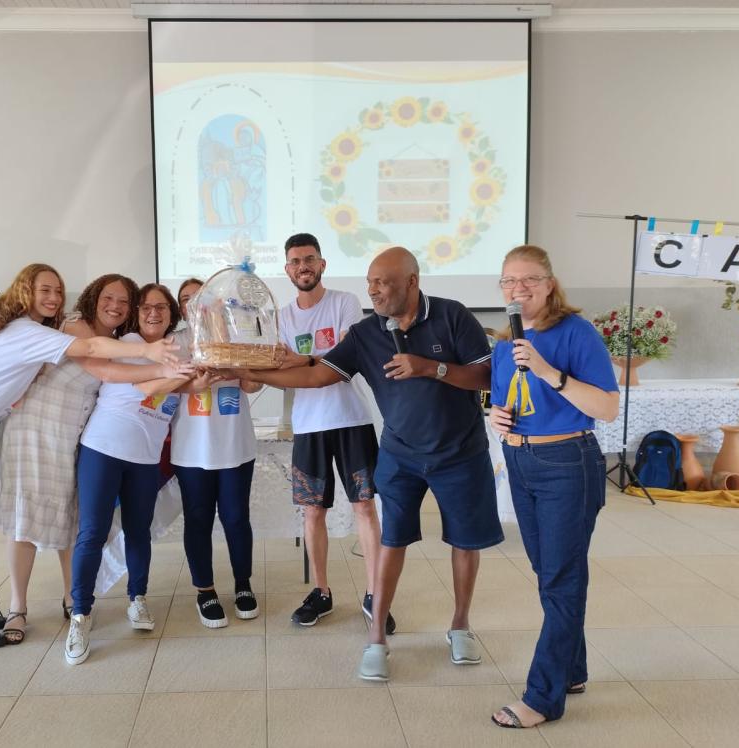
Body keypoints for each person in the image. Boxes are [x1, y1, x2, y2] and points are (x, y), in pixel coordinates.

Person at [231, 247, 501, 682]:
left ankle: (460, 626)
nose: (373, 290)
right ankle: (377, 637)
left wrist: (431, 368)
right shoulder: (365, 333)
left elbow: (487, 376)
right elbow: (319, 375)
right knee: (392, 539)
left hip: (461, 453)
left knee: (464, 543)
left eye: (383, 282)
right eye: (370, 283)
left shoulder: (454, 316)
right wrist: (259, 374)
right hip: (401, 455)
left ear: (412, 281)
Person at [0, 264, 178, 650]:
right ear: (93, 297)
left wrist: (172, 368)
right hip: (34, 429)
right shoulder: (77, 326)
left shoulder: (118, 338)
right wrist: (155, 357)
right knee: (23, 520)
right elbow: (102, 368)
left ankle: (72, 598)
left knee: (68, 517)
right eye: (108, 297)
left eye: (124, 302)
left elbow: (133, 384)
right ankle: (17, 607)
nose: (115, 305)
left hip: (72, 436)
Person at [488, 245, 619, 729]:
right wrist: (498, 417)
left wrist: (548, 371)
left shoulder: (577, 334)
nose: (517, 289)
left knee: (562, 579)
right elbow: (506, 402)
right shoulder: (505, 345)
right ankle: (573, 670)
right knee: (552, 575)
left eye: (528, 280)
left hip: (568, 462)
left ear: (549, 283)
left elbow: (606, 408)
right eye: (508, 281)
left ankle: (542, 698)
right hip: (520, 461)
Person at [274, 233, 394, 633]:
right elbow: (284, 372)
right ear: (287, 269)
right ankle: (322, 592)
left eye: (309, 259)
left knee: (364, 508)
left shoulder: (343, 302)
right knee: (312, 512)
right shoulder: (282, 317)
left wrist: (302, 359)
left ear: (322, 264)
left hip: (351, 420)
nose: (303, 266)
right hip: (308, 425)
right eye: (295, 261)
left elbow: (345, 357)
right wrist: (295, 364)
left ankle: (376, 593)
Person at [65, 283, 191, 664]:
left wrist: (192, 373)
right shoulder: (131, 344)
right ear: (137, 314)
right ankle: (80, 614)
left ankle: (137, 598)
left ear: (172, 316)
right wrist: (181, 375)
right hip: (102, 450)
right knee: (92, 533)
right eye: (147, 307)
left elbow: (179, 388)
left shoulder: (176, 351)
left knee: (140, 532)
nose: (154, 313)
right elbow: (143, 387)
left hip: (145, 458)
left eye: (162, 309)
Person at [169, 280, 261, 628]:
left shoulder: (237, 338)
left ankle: (243, 584)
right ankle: (205, 591)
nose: (195, 304)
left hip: (236, 445)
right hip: (192, 449)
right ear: (181, 308)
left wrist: (235, 368)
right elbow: (163, 386)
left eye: (202, 297)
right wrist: (194, 381)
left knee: (237, 518)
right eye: (187, 300)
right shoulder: (175, 343)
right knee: (198, 520)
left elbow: (253, 384)